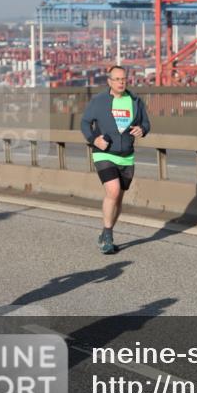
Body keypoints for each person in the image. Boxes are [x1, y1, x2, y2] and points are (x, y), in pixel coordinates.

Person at [80, 65, 151, 254]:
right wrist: (94, 139)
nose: (121, 82)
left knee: (118, 198)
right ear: (109, 81)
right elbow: (85, 122)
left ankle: (106, 231)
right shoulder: (99, 101)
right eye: (117, 79)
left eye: (123, 79)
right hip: (104, 152)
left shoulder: (135, 100)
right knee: (113, 190)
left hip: (126, 155)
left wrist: (142, 129)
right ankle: (108, 236)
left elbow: (145, 123)